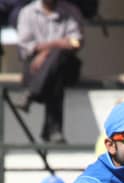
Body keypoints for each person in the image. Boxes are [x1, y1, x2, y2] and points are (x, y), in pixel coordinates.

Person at [16, 0, 84, 143]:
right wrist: (58, 44)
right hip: (36, 69)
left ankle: (31, 94)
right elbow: (25, 47)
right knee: (55, 70)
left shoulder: (70, 11)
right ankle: (53, 130)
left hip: (66, 67)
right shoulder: (27, 12)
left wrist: (46, 53)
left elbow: (75, 42)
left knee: (59, 58)